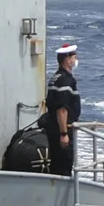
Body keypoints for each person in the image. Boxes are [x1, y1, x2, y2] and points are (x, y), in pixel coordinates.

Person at [41, 43, 80, 177]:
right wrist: (64, 134)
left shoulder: (55, 77)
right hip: (61, 129)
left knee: (56, 166)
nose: (76, 60)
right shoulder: (66, 80)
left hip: (52, 128)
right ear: (68, 60)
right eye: (74, 57)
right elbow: (62, 109)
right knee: (63, 167)